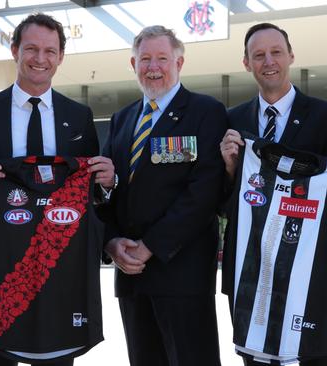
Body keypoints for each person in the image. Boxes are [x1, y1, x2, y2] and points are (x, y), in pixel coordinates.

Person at [0, 13, 114, 366]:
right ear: (15, 50)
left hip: (59, 265)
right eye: (31, 48)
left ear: (61, 56)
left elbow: (86, 189)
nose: (40, 59)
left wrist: (106, 184)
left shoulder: (79, 116)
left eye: (50, 51)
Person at [219, 22, 327, 366]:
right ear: (246, 63)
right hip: (249, 273)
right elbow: (219, 202)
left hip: (308, 275)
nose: (268, 61)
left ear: (290, 55)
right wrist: (229, 170)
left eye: (276, 52)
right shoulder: (231, 120)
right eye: (258, 55)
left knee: (311, 359)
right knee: (254, 358)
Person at [102, 25, 227, 366]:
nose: (153, 67)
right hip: (130, 274)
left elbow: (203, 192)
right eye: (145, 59)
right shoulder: (122, 119)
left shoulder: (205, 112)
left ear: (179, 63)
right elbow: (105, 189)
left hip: (182, 274)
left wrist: (150, 246)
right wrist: (112, 243)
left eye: (162, 58)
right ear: (133, 64)